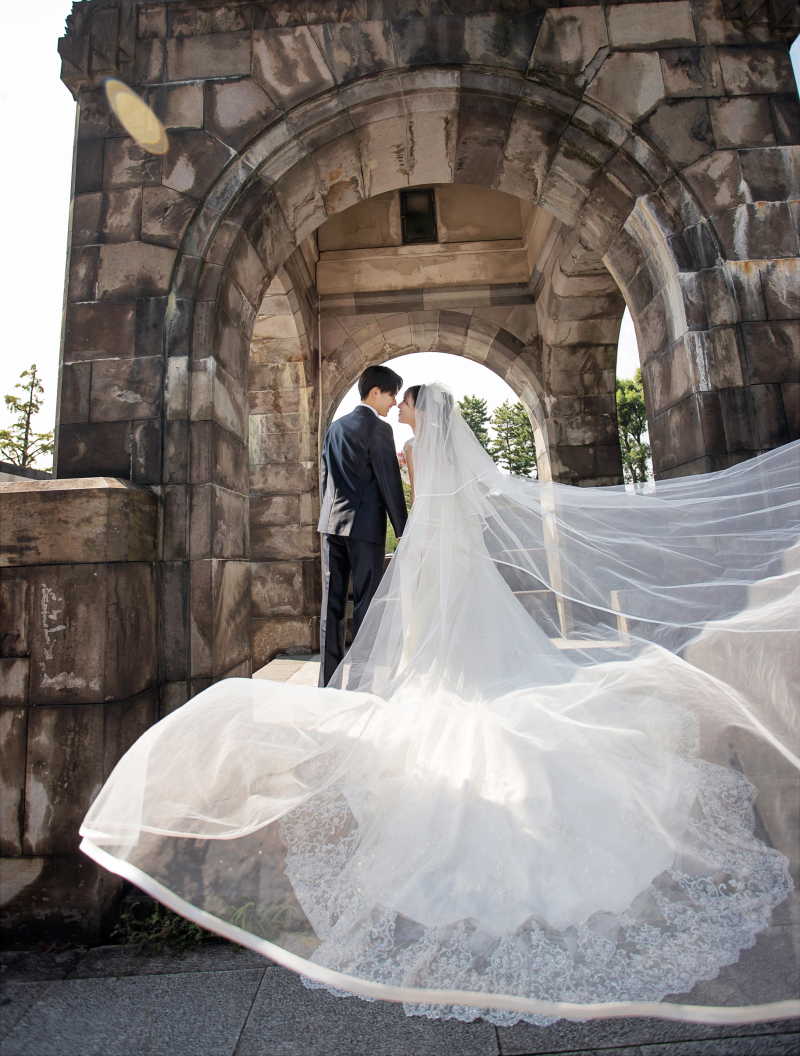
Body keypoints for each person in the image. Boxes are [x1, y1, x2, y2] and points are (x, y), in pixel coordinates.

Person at [80, 383, 800, 1028]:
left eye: (412, 405)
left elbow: (413, 509)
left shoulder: (410, 447)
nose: (408, 413)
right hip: (462, 560)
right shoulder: (435, 449)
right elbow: (464, 504)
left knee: (428, 653)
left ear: (419, 410)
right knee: (479, 656)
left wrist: (407, 525)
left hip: (424, 554)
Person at [317, 365, 408, 687]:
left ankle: (327, 683)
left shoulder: (335, 427)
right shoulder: (379, 429)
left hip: (330, 526)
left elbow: (326, 479)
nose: (394, 402)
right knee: (368, 604)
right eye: (392, 394)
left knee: (332, 606)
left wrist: (327, 516)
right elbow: (389, 483)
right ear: (375, 392)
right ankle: (362, 681)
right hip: (365, 529)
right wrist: (403, 531)